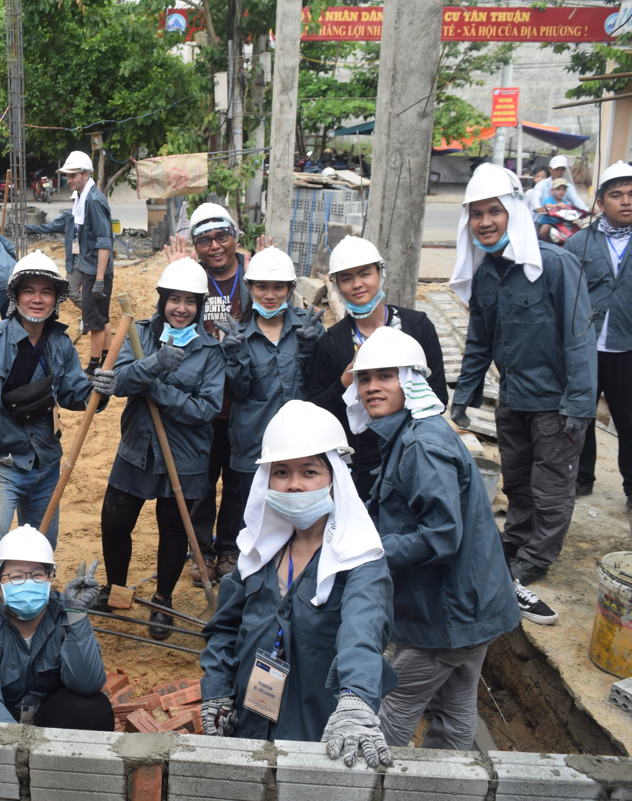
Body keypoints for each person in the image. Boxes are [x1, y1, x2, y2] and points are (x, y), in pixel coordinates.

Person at [343, 327, 523, 751]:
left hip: (448, 612)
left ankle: (375, 786)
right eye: (365, 379)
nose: (371, 388)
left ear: (409, 381)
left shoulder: (423, 445)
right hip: (472, 604)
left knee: (395, 707)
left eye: (384, 377)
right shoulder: (408, 434)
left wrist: (368, 554)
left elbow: (441, 535)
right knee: (456, 705)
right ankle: (452, 784)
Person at [199, 400, 392, 767]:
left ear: (334, 478)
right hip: (251, 720)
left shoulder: (359, 561)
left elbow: (362, 635)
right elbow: (224, 629)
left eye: (310, 472)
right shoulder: (258, 553)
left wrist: (355, 698)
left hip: (317, 732)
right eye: (282, 473)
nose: (294, 486)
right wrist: (216, 692)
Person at [0, 251, 111, 609]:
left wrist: (100, 389)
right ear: (15, 296)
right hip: (1, 462)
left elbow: (75, 396)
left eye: (46, 292)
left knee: (43, 542)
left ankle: (31, 611)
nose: (37, 298)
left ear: (55, 299)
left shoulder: (60, 345)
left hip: (45, 464)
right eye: (29, 290)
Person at [450, 163, 596, 588]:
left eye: (493, 211)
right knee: (516, 479)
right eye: (476, 214)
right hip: (513, 397)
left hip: (556, 401)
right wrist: (464, 396)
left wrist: (579, 405)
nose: (485, 222)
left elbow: (580, 338)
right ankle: (516, 539)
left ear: (513, 211)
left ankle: (537, 555)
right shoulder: (487, 275)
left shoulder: (554, 266)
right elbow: (479, 341)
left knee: (551, 486)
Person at [97, 258, 224, 639]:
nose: (181, 308)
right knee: (115, 521)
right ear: (162, 300)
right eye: (174, 299)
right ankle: (115, 590)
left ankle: (162, 602)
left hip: (185, 456)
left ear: (200, 306)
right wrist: (153, 363)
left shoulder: (210, 352)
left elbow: (206, 409)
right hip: (137, 446)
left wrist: (157, 387)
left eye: (190, 301)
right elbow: (117, 381)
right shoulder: (139, 334)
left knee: (173, 530)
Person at [306, 235, 448, 499]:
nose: (357, 284)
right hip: (359, 463)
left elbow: (438, 394)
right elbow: (316, 408)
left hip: (411, 454)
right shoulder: (332, 343)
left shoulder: (417, 327)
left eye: (364, 274)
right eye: (346, 278)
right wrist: (343, 385)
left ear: (380, 274)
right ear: (336, 286)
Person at [163, 202, 251, 581]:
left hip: (246, 398)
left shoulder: (253, 272)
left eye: (222, 236)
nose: (215, 246)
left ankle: (229, 551)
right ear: (194, 245)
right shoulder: (193, 278)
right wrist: (173, 269)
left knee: (238, 481)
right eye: (204, 240)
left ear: (235, 236)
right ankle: (200, 549)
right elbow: (168, 310)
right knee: (199, 479)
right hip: (201, 399)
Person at [0, 526, 113, 729]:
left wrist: (77, 615)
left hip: (46, 714)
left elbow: (88, 683)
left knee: (91, 709)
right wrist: (19, 745)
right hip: (0, 719)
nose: (28, 583)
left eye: (37, 575)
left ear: (49, 579)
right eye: (16, 577)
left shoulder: (65, 614)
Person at [222, 247, 324, 538]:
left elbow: (318, 389)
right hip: (254, 446)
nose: (270, 295)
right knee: (255, 525)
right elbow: (239, 394)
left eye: (278, 287)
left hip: (303, 447)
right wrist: (236, 357)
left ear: (290, 289)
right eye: (262, 287)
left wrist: (311, 353)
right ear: (250, 288)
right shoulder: (238, 333)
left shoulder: (308, 328)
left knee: (303, 524)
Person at [569, 161, 632, 505]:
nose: (626, 201)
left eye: (631, 194)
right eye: (617, 194)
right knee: (582, 416)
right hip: (586, 347)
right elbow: (564, 296)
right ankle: (582, 478)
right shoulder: (580, 243)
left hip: (628, 349)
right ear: (600, 203)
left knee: (628, 421)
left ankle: (631, 488)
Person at [26, 151, 114, 374]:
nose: (69, 180)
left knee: (95, 321)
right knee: (100, 318)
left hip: (96, 269)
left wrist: (100, 280)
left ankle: (94, 365)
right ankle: (106, 358)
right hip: (87, 265)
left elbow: (105, 242)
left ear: (85, 174)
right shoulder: (81, 201)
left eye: (72, 175)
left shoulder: (93, 201)